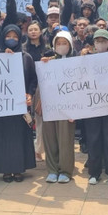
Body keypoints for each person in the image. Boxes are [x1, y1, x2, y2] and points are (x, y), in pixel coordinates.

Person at [0, 25, 37, 182]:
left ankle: (18, 169)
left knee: (18, 137)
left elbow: (32, 79)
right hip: (1, 106)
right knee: (2, 137)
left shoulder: (26, 57)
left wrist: (30, 94)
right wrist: (3, 57)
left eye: (15, 36)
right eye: (8, 36)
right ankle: (5, 170)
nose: (11, 39)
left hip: (19, 105)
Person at [80, 29, 108, 186]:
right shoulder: (86, 59)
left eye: (103, 41)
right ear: (93, 44)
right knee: (93, 140)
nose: (100, 44)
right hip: (93, 106)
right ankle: (94, 173)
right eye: (98, 41)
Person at [40, 30, 77, 183]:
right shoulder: (48, 61)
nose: (61, 46)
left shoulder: (76, 62)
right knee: (50, 138)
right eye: (58, 43)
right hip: (51, 106)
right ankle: (52, 169)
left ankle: (66, 171)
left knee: (65, 139)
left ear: (70, 45)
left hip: (68, 107)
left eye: (64, 43)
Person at [23, 21, 49, 161]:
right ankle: (27, 149)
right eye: (30, 29)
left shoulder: (47, 48)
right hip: (26, 86)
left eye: (35, 29)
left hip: (42, 85)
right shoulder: (23, 49)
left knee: (40, 118)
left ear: (40, 32)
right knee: (27, 118)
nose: (33, 32)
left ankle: (38, 150)